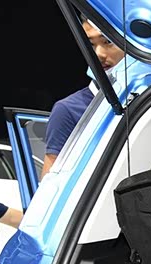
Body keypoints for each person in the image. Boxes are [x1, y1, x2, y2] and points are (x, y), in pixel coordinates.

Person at [42, 18, 126, 178]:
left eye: (108, 41)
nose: (99, 54)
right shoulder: (67, 110)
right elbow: (51, 183)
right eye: (90, 44)